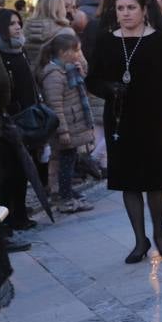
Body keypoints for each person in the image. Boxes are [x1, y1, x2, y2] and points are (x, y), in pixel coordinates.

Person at [87, 0, 162, 263]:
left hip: (157, 120)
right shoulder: (106, 41)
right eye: (120, 8)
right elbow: (92, 79)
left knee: (157, 179)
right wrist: (109, 88)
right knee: (129, 182)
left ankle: (158, 231)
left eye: (131, 8)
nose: (126, 13)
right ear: (114, 11)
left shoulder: (160, 40)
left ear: (144, 10)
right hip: (121, 121)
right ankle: (139, 240)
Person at [0, 8, 37, 232]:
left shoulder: (20, 49)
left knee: (22, 172)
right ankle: (8, 218)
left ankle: (20, 214)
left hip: (27, 117)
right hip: (9, 120)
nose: (18, 26)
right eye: (12, 24)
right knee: (9, 173)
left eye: (19, 22)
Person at [39, 32, 95, 214]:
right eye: (76, 50)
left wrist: (81, 70)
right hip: (65, 128)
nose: (79, 53)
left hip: (72, 125)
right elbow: (55, 105)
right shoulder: (54, 75)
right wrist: (63, 131)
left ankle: (64, 193)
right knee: (65, 163)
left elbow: (82, 85)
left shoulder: (68, 69)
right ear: (64, 53)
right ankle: (65, 198)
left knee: (67, 161)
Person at [23, 0, 72, 72]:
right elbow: (77, 59)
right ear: (60, 9)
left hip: (30, 75)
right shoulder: (66, 32)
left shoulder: (25, 29)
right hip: (57, 75)